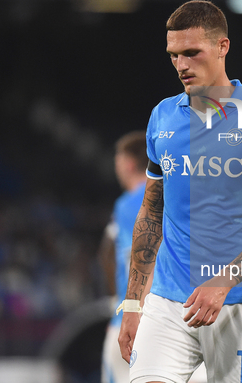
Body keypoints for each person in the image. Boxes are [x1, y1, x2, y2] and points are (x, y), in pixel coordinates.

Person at [117, 0, 242, 383]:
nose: (181, 65)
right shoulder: (162, 117)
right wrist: (135, 301)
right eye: (173, 55)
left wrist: (223, 282)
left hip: (239, 302)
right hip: (168, 301)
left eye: (191, 53)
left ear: (222, 47)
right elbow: (152, 212)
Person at [100, 131, 148, 383]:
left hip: (128, 316)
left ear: (128, 164)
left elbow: (106, 253)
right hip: (165, 314)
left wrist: (117, 298)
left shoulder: (127, 204)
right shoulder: (171, 196)